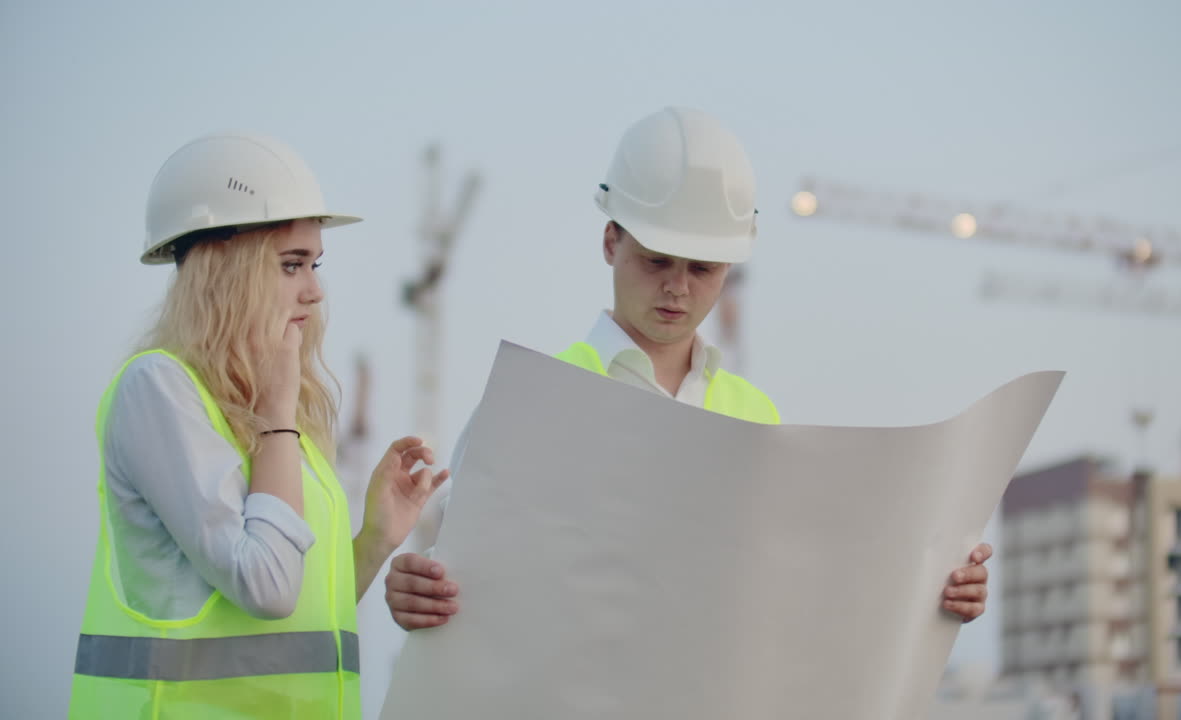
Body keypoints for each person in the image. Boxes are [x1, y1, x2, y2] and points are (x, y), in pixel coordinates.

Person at [383, 107, 991, 633]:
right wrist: (415, 591)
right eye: (657, 260)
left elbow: (801, 584)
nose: (678, 288)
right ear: (609, 242)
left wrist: (933, 592)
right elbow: (462, 576)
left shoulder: (757, 415)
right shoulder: (533, 398)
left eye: (704, 269)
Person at [69, 133, 448, 719]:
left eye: (314, 264)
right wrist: (277, 419)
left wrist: (375, 539)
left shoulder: (272, 417)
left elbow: (293, 627)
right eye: (291, 264)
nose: (315, 290)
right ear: (223, 270)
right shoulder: (159, 390)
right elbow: (267, 588)